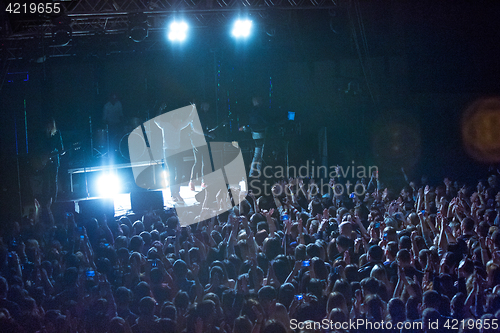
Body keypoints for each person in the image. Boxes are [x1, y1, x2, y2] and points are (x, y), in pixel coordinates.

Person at [154, 104, 196, 203]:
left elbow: (189, 119)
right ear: (173, 120)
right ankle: (173, 194)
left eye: (179, 121)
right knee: (172, 173)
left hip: (177, 151)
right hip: (168, 152)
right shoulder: (165, 125)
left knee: (180, 173)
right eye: (177, 121)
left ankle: (177, 192)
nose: (179, 122)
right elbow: (156, 120)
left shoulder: (179, 126)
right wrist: (160, 109)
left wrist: (194, 108)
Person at [30, 117, 64, 206]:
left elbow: (61, 148)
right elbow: (39, 147)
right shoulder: (42, 135)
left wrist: (60, 151)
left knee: (53, 181)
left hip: (54, 160)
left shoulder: (57, 134)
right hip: (45, 160)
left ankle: (54, 201)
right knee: (46, 180)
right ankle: (45, 200)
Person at [240, 96, 267, 178]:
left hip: (255, 134)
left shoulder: (253, 111)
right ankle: (252, 173)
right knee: (258, 154)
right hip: (259, 134)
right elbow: (264, 121)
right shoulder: (259, 111)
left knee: (259, 155)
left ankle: (256, 173)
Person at [189, 102, 213, 191]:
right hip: (196, 140)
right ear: (202, 106)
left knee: (205, 161)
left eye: (208, 106)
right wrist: (207, 134)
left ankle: (204, 181)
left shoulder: (206, 115)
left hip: (203, 140)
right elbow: (195, 129)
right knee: (198, 161)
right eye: (206, 106)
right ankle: (192, 181)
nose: (207, 107)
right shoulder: (197, 115)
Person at [102, 92, 124, 157]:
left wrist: (122, 123)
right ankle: (111, 151)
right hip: (110, 126)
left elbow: (121, 115)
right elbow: (104, 119)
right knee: (111, 139)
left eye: (115, 98)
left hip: (118, 125)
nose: (114, 100)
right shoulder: (106, 106)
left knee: (119, 137)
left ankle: (119, 150)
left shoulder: (118, 104)